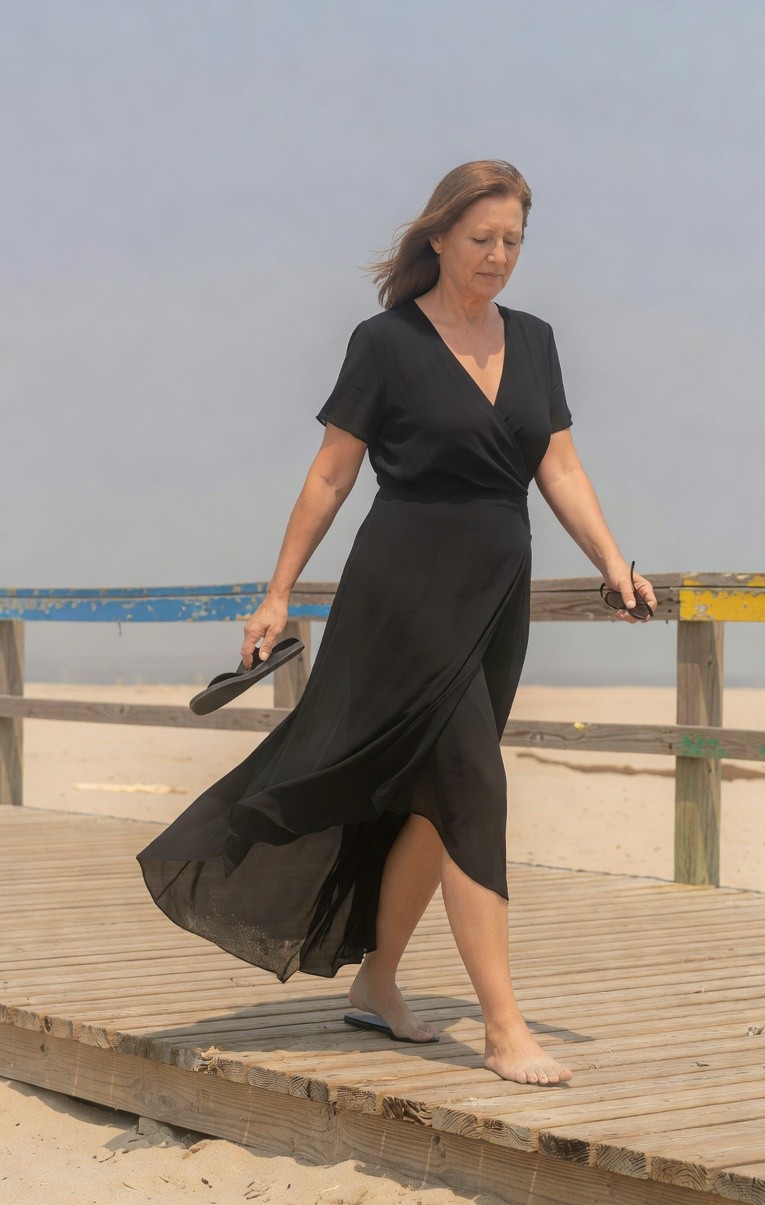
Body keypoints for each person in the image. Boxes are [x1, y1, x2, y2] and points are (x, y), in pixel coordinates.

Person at [137, 159, 657, 1087]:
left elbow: (561, 467)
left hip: (494, 597)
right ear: (438, 238)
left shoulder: (535, 341)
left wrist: (612, 562)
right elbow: (331, 474)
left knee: (434, 797)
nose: (498, 256)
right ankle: (504, 1026)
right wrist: (276, 593)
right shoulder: (384, 343)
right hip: (405, 595)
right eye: (481, 238)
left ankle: (377, 982)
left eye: (513, 241)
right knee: (474, 787)